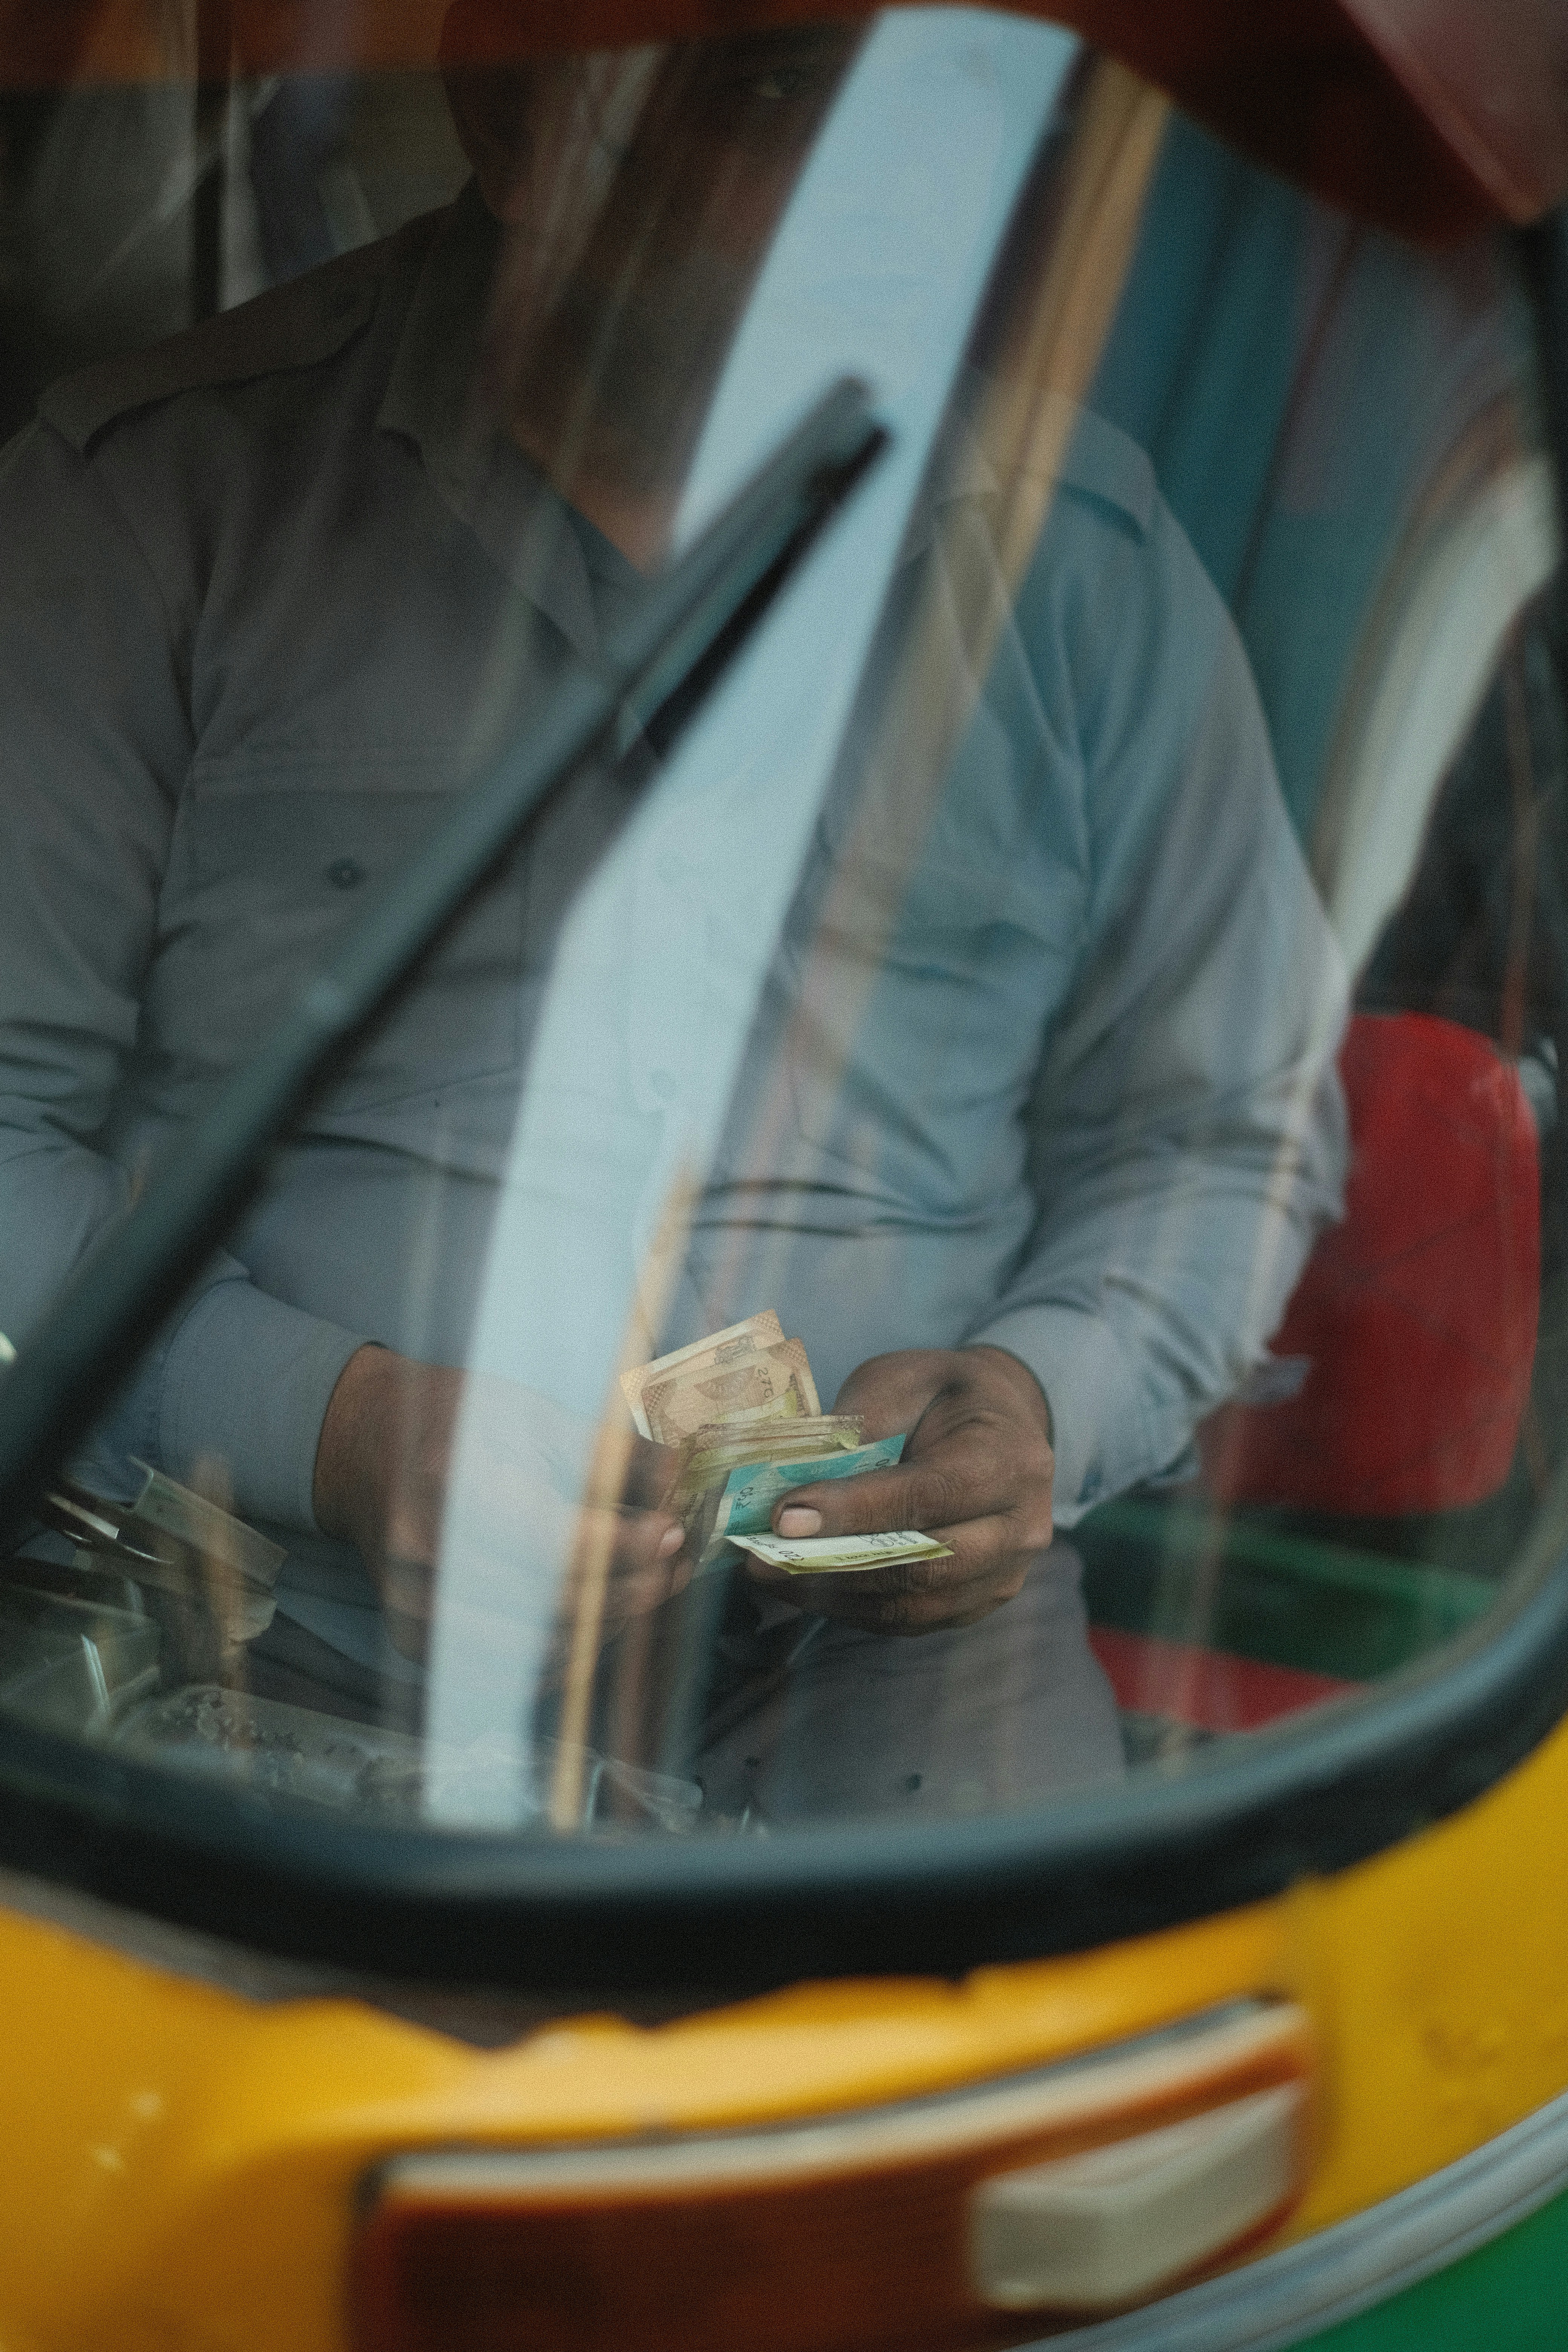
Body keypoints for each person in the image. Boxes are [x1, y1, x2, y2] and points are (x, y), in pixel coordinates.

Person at [0, 19, 1346, 1817]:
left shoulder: (1079, 562)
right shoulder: (154, 503)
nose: (869, 189)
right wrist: (334, 1431)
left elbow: (1222, 1134)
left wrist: (1040, 1405)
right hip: (276, 1657)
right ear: (519, 106)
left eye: (915, 103)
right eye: (769, 95)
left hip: (910, 1686)